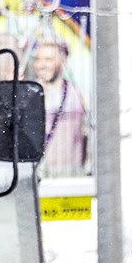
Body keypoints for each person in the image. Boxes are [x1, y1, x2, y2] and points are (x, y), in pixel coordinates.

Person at [31, 38, 89, 179]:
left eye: (49, 59)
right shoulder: (28, 96)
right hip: (39, 178)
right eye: (38, 59)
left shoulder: (79, 96)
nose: (41, 65)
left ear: (64, 61)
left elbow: (89, 137)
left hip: (71, 177)